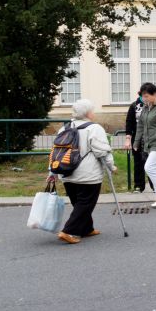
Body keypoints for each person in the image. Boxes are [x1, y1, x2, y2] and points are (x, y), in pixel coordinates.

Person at [54, 99, 116, 244]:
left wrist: (52, 172)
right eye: (92, 110)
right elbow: (102, 152)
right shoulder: (94, 128)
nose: (93, 113)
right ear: (88, 113)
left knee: (79, 203)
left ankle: (87, 228)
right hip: (88, 174)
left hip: (67, 172)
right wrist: (111, 166)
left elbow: (56, 151)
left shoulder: (65, 128)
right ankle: (69, 231)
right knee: (85, 203)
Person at [124, 87, 153, 193]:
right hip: (137, 139)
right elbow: (129, 123)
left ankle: (155, 185)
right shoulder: (134, 106)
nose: (145, 98)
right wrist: (128, 138)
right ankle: (139, 185)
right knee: (138, 162)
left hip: (152, 139)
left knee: (152, 163)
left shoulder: (153, 105)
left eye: (147, 95)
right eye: (143, 95)